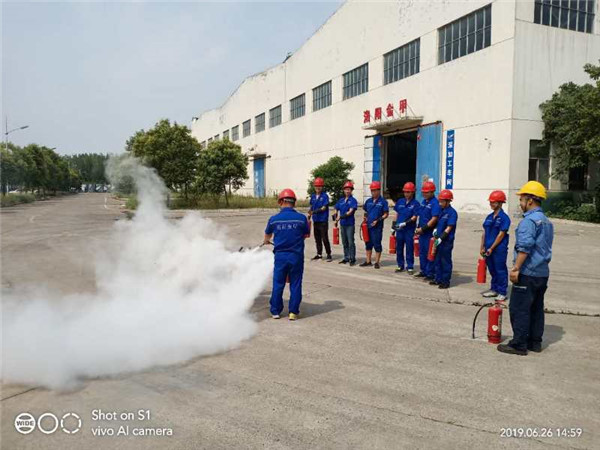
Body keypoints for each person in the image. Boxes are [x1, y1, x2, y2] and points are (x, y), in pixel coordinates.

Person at [498, 181, 554, 356]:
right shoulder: (546, 221)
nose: (520, 203)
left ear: (530, 200)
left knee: (519, 308)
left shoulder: (529, 221)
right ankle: (534, 342)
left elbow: (525, 247)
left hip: (527, 272)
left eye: (521, 199)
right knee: (536, 308)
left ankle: (519, 344)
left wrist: (516, 268)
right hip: (542, 273)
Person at [264, 188, 310, 321]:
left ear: (281, 201)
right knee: (295, 283)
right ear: (294, 202)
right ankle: (293, 312)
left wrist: (267, 240)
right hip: (296, 256)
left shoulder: (274, 219)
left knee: (278, 283)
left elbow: (267, 236)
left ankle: (275, 311)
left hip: (280, 257)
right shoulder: (302, 219)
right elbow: (306, 234)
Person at [480, 190, 511, 302]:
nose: (491, 204)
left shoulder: (504, 218)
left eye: (493, 202)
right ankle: (494, 289)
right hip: (488, 248)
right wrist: (482, 247)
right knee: (492, 269)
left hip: (498, 249)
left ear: (500, 203)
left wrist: (492, 248)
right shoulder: (489, 217)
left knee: (500, 269)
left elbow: (501, 234)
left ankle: (502, 292)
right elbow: (484, 232)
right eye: (491, 202)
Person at [429, 189, 458, 289]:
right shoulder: (441, 211)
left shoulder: (452, 213)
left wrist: (441, 238)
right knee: (437, 260)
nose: (440, 203)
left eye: (442, 201)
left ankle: (445, 281)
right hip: (438, 240)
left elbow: (449, 228)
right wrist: (435, 230)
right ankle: (438, 278)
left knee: (445, 261)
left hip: (446, 241)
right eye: (439, 201)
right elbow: (438, 223)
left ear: (448, 201)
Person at [414, 181, 441, 280]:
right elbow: (419, 215)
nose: (424, 194)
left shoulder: (435, 203)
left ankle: (430, 273)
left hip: (429, 232)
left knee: (430, 253)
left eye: (426, 192)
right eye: (423, 192)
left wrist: (423, 229)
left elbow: (434, 218)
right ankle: (423, 271)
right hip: (421, 232)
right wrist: (417, 228)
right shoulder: (423, 202)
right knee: (422, 252)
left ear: (432, 192)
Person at [392, 182, 420, 274]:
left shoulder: (416, 204)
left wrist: (405, 223)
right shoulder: (400, 201)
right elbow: (396, 214)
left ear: (413, 192)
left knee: (409, 248)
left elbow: (415, 217)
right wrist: (393, 226)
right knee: (399, 248)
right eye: (405, 192)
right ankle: (400, 265)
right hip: (399, 230)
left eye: (408, 192)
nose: (406, 194)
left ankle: (410, 266)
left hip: (409, 230)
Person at [360, 181, 389, 269]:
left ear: (379, 190)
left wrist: (378, 220)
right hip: (368, 226)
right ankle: (368, 261)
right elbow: (366, 211)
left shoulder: (383, 202)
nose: (373, 192)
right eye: (372, 190)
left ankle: (377, 262)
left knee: (377, 244)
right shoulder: (368, 201)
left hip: (377, 227)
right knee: (368, 243)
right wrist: (365, 218)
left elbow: (386, 214)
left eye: (375, 190)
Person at [334, 181, 358, 266]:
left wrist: (340, 217)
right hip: (343, 224)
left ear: (351, 190)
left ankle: (352, 258)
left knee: (351, 242)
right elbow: (336, 207)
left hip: (350, 224)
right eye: (346, 189)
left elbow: (350, 212)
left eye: (349, 189)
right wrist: (335, 215)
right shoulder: (341, 200)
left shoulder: (353, 200)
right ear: (344, 190)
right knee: (344, 242)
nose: (347, 191)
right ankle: (346, 257)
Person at [308, 177, 332, 261]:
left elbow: (324, 208)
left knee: (324, 238)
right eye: (316, 186)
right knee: (317, 238)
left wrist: (314, 212)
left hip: (323, 221)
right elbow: (311, 206)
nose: (318, 188)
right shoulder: (313, 196)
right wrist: (309, 214)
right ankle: (319, 254)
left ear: (322, 187)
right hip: (316, 220)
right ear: (314, 187)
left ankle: (328, 254)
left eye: (319, 186)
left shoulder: (325, 196)